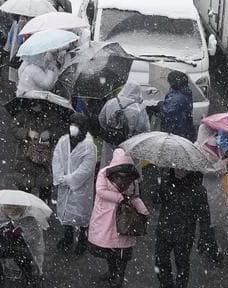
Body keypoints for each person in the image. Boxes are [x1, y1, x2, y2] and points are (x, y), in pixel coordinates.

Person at [88, 149, 149, 288]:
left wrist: (142, 209)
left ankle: (118, 278)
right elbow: (101, 191)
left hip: (122, 218)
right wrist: (120, 198)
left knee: (121, 252)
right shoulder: (107, 173)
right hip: (114, 218)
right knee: (111, 249)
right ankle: (113, 273)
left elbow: (135, 196)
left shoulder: (125, 175)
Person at [153, 168, 206, 288]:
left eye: (183, 167)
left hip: (184, 234)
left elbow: (204, 217)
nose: (178, 169)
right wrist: (159, 185)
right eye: (176, 165)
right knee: (160, 261)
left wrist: (203, 237)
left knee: (182, 265)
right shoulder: (167, 182)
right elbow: (155, 199)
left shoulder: (198, 190)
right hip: (164, 230)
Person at [51, 113, 97, 253]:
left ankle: (83, 241)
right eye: (72, 124)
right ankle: (68, 238)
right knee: (66, 215)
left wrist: (69, 180)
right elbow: (56, 158)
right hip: (65, 185)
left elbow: (86, 169)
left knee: (82, 216)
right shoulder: (63, 141)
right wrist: (59, 177)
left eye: (77, 125)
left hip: (81, 188)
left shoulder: (89, 146)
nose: (73, 128)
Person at [0, 204, 45, 286]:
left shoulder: (29, 218)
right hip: (6, 245)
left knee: (21, 255)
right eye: (8, 208)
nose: (11, 211)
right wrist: (3, 233)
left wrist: (21, 234)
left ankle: (29, 276)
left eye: (15, 209)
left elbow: (35, 239)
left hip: (24, 248)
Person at [98, 81, 151, 163]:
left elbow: (101, 119)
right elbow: (144, 129)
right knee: (128, 168)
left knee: (109, 165)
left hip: (111, 140)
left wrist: (110, 129)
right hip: (129, 144)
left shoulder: (111, 102)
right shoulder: (139, 108)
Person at [160, 71, 197, 140]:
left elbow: (168, 113)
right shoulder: (185, 91)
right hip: (185, 129)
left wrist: (160, 106)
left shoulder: (177, 98)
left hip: (176, 133)